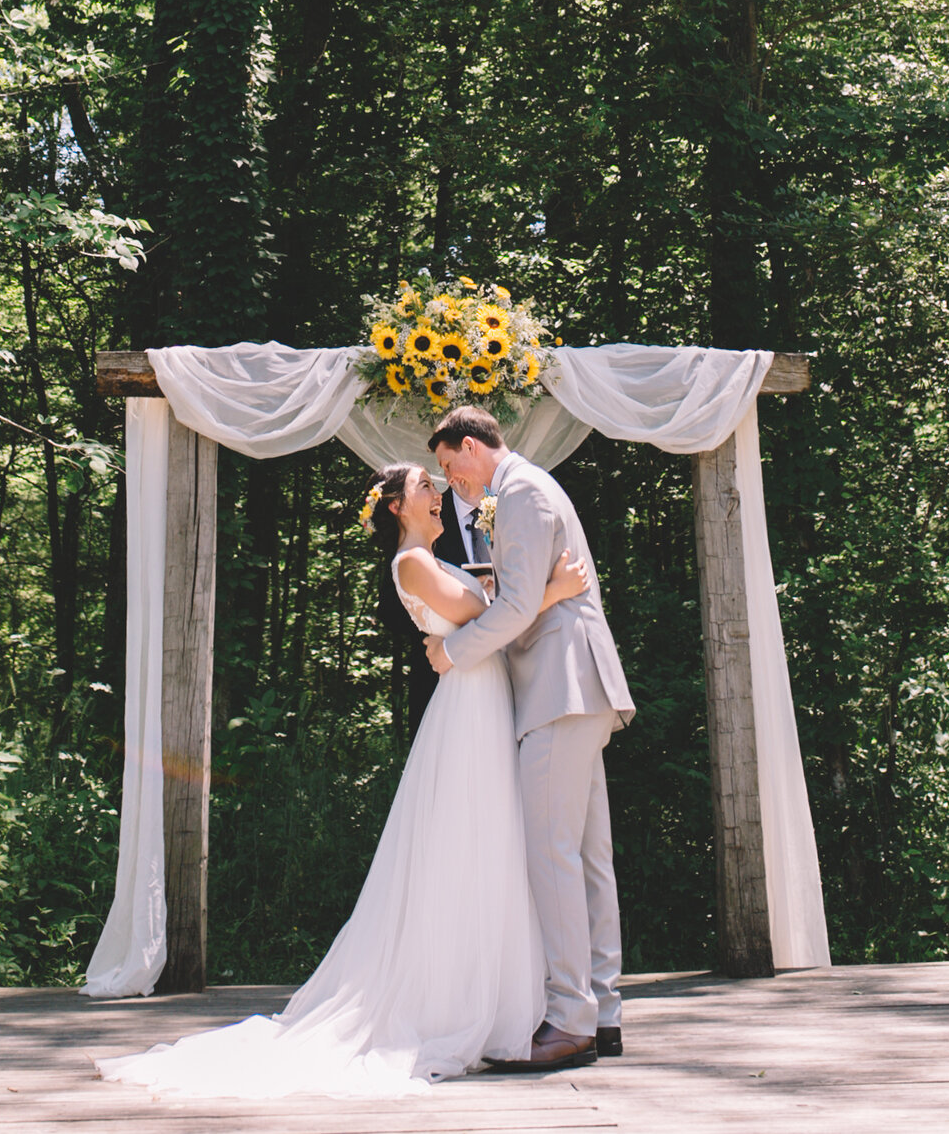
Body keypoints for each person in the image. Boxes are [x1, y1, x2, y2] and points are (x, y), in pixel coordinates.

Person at [96, 462, 587, 1100]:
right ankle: (462, 1001)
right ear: (396, 509)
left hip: (482, 699)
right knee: (469, 841)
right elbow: (483, 615)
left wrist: (502, 594)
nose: (437, 496)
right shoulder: (412, 563)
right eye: (424, 489)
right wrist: (544, 594)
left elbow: (483, 615)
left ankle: (499, 994)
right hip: (467, 711)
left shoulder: (441, 556)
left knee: (492, 845)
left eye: (437, 488)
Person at [426, 406, 635, 1071]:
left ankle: (570, 1016)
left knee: (551, 855)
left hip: (558, 683)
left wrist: (455, 651)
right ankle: (601, 1012)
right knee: (585, 855)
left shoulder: (518, 493)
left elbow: (517, 606)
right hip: (577, 686)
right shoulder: (508, 494)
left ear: (471, 446)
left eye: (450, 465)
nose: (449, 480)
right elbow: (513, 588)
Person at [375, 484, 480, 738]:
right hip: (440, 681)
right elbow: (390, 610)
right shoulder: (420, 532)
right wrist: (439, 622)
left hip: (504, 674)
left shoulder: (513, 504)